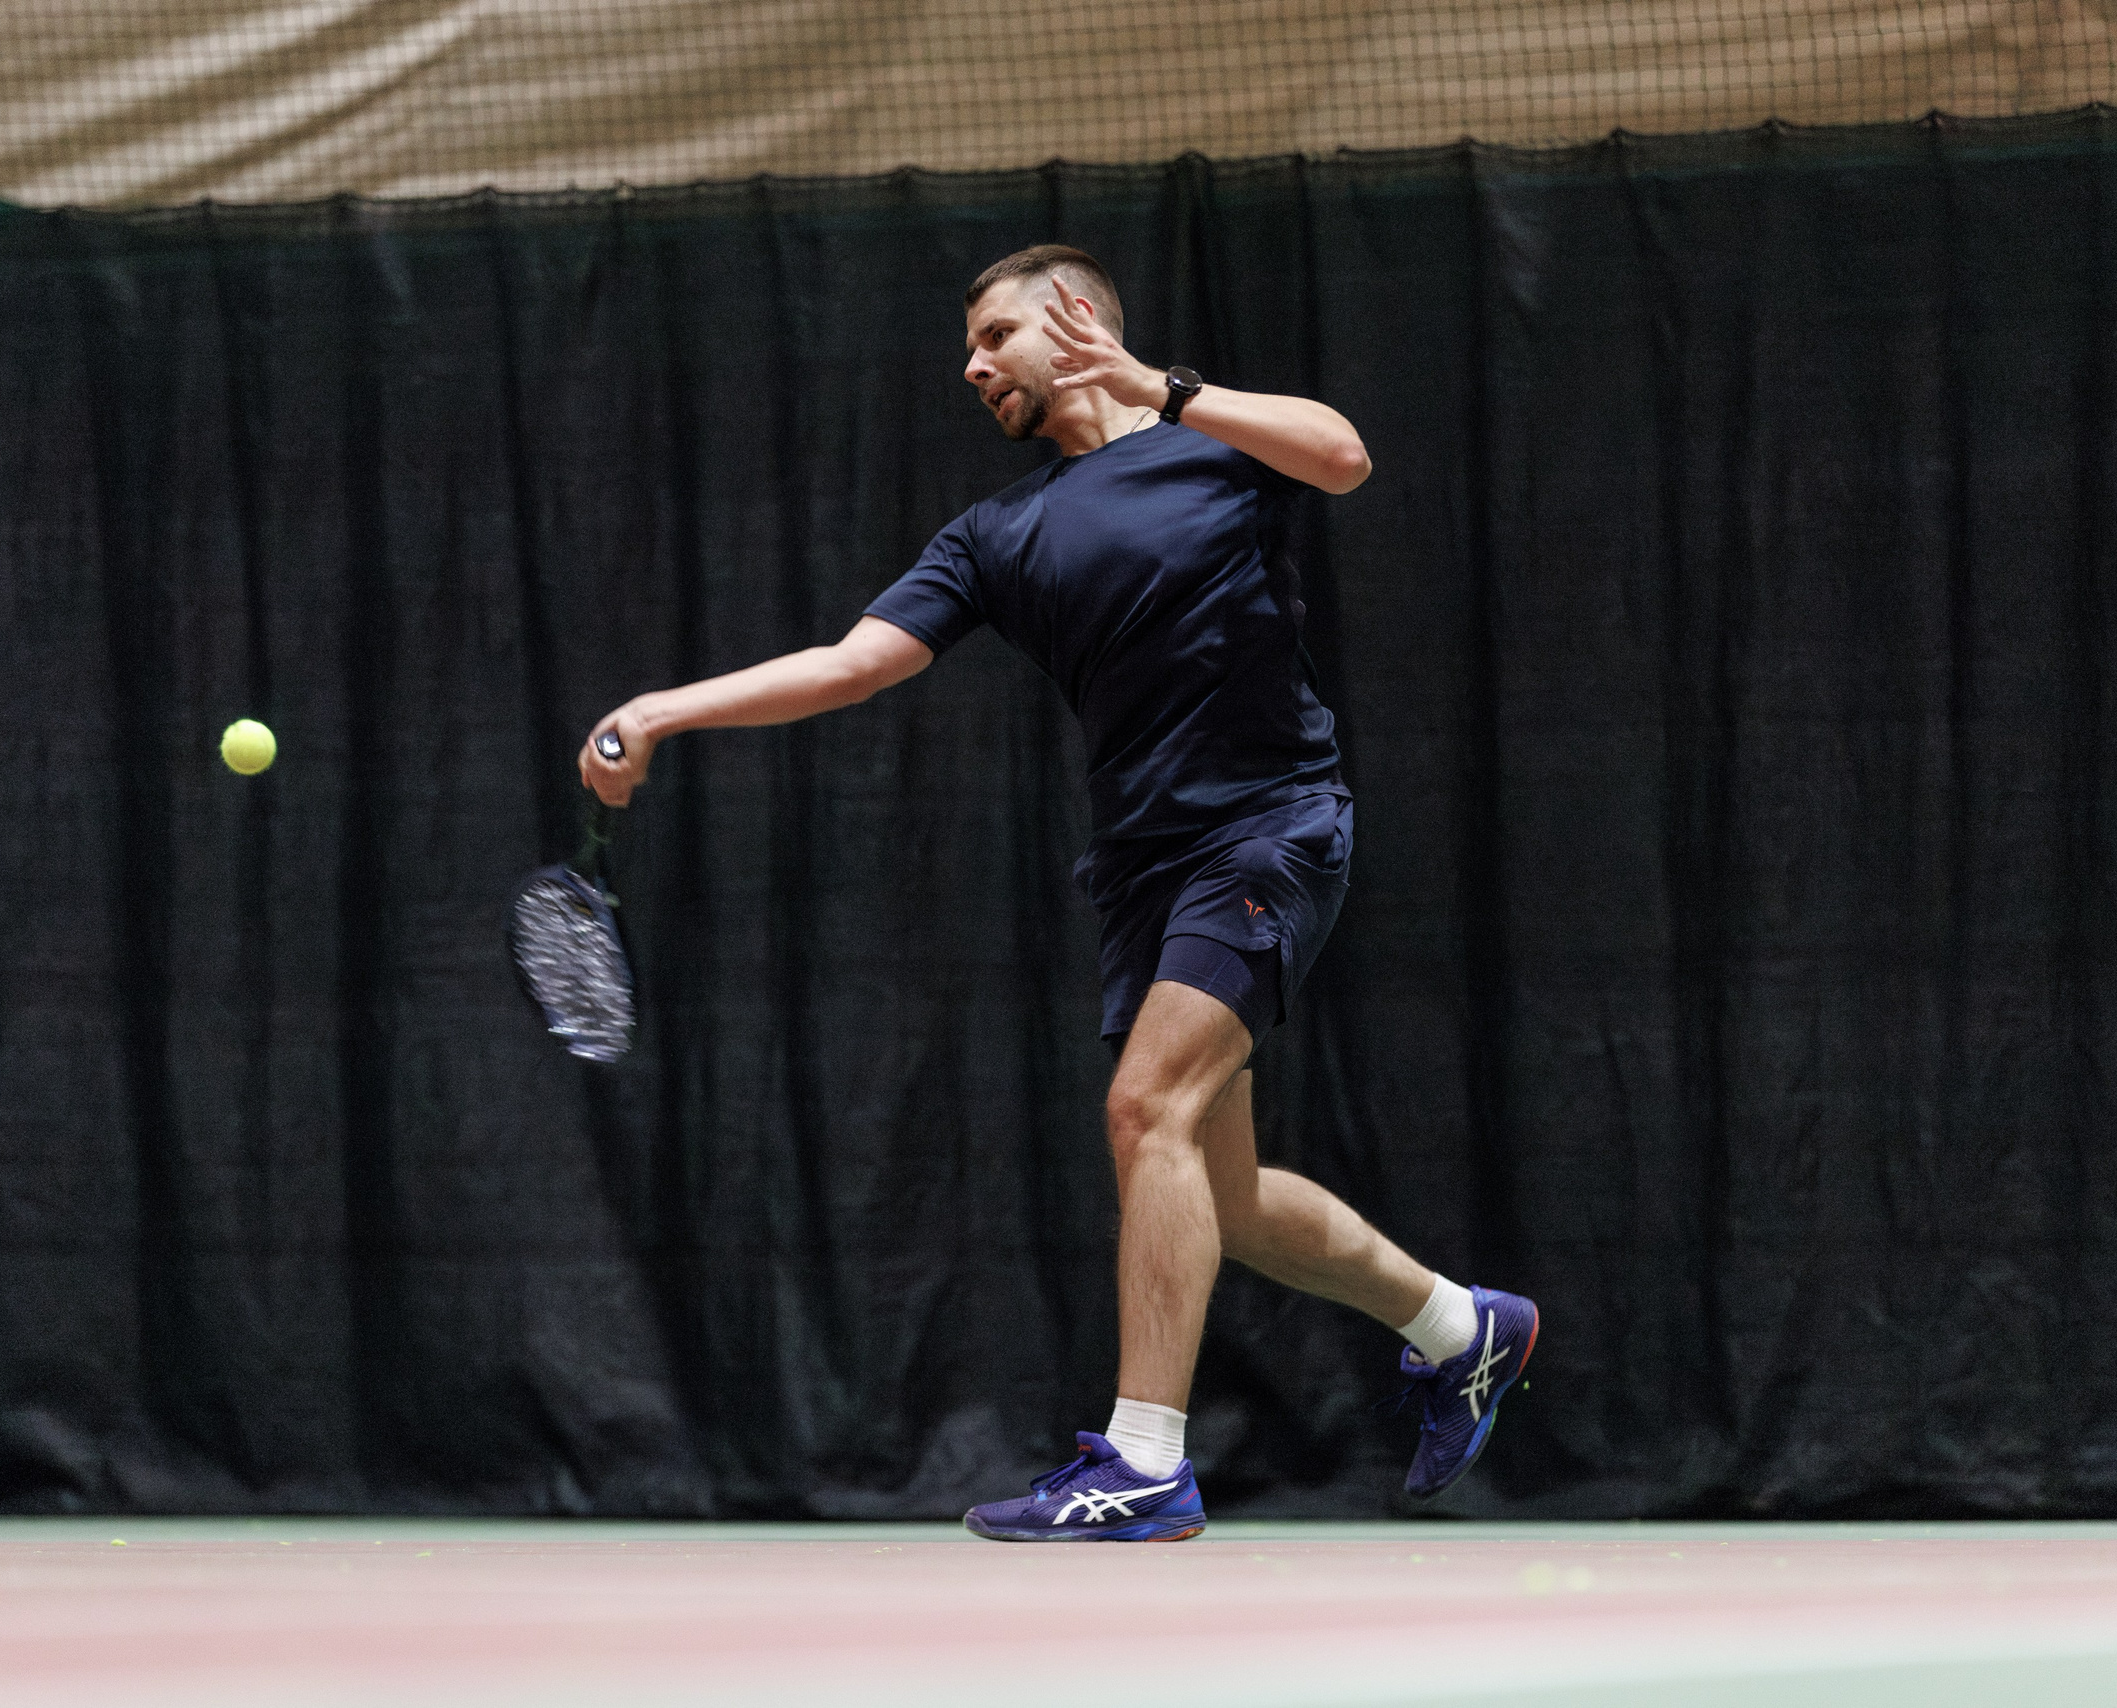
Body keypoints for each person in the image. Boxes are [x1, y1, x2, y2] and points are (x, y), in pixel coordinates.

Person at [579, 244, 1537, 1540]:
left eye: (992, 336)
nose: (972, 366)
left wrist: (1167, 385)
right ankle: (1459, 1325)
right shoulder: (996, 536)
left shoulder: (1213, 438)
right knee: (1223, 1194)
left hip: (1268, 828)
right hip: (1142, 868)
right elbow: (853, 662)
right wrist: (663, 709)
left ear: (1071, 318)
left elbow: (1344, 453)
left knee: (1146, 1110)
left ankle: (1144, 1463)